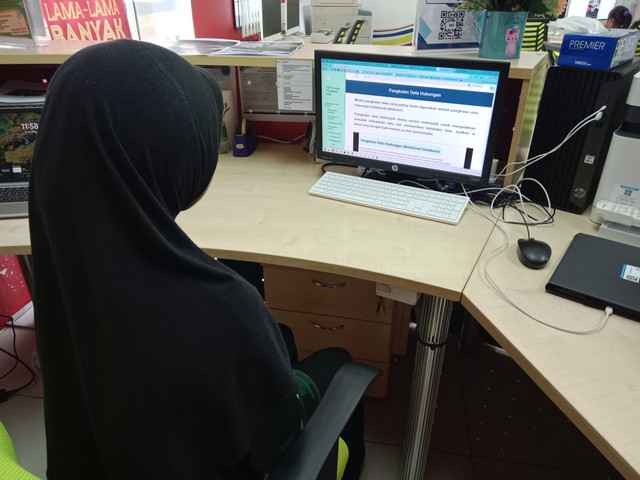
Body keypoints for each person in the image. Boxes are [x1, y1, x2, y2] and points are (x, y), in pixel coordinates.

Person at [28, 39, 363, 479]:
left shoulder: (63, 260)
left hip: (107, 451)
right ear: (175, 160)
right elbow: (279, 428)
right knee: (338, 360)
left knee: (280, 336)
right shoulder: (224, 311)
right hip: (241, 452)